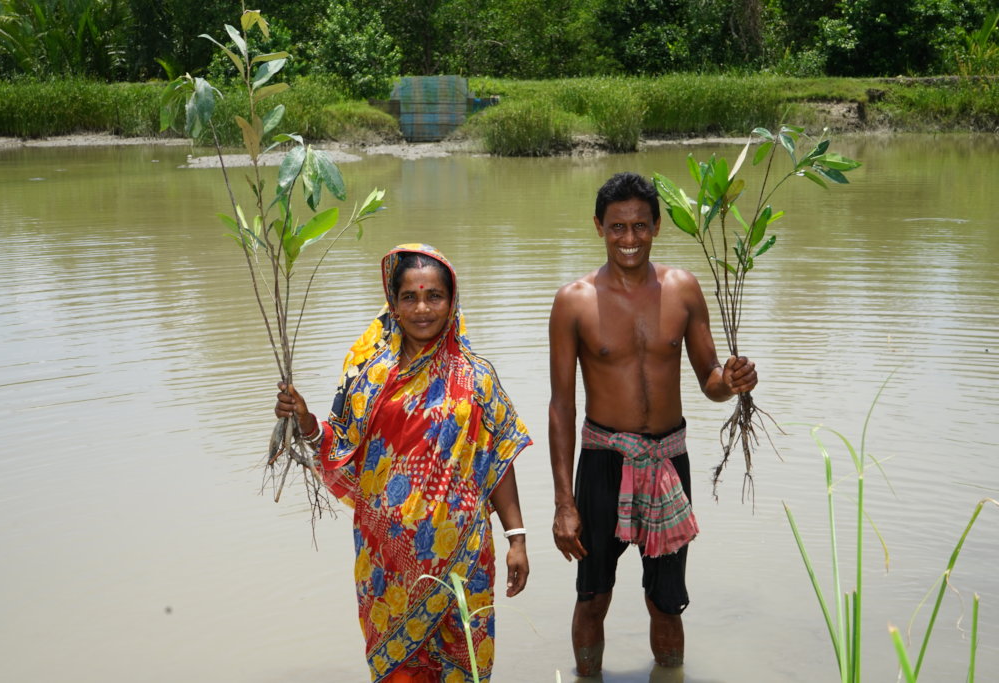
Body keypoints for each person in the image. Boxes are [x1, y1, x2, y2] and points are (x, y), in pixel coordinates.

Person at [276, 244, 532, 683]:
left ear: (452, 302)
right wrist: (305, 421)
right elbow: (341, 449)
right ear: (392, 305)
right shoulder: (370, 378)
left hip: (463, 556)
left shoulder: (477, 377)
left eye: (434, 296)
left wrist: (517, 538)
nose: (422, 308)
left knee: (466, 666)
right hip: (387, 561)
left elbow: (498, 461)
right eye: (409, 297)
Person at [547, 172, 758, 677]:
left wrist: (732, 381)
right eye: (617, 227)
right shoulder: (573, 301)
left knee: (667, 602)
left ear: (657, 227)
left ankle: (669, 673)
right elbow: (561, 405)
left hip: (668, 461)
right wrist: (563, 503)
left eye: (640, 226)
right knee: (593, 597)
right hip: (602, 463)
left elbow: (709, 381)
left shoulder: (681, 290)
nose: (629, 239)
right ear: (598, 226)